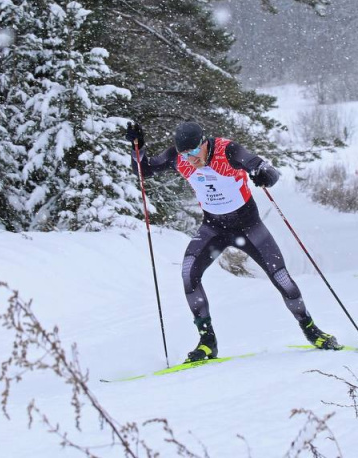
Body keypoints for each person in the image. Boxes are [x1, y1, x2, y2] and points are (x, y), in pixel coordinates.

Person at [125, 120, 341, 362]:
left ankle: (311, 330)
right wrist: (137, 148)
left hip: (249, 227)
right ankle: (207, 342)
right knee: (188, 272)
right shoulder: (179, 158)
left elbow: (268, 171)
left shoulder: (227, 151)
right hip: (214, 228)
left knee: (280, 277)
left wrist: (263, 174)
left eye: (194, 151)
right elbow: (143, 170)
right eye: (185, 154)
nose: (191, 159)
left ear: (204, 142)